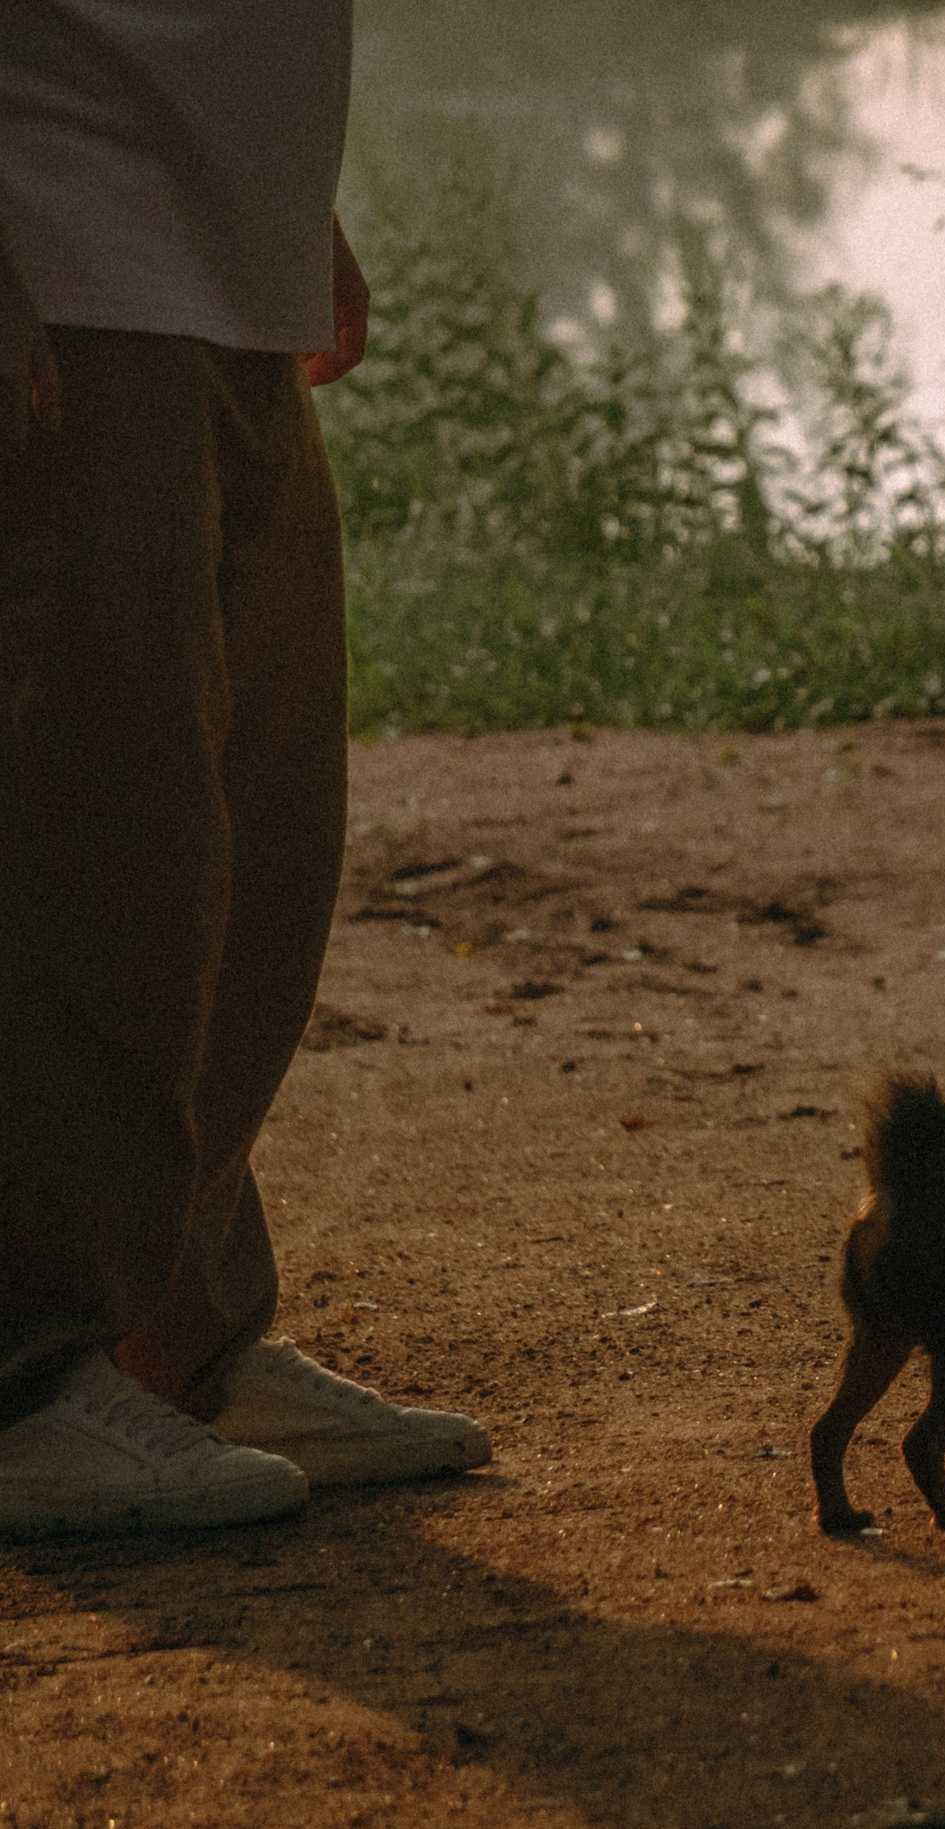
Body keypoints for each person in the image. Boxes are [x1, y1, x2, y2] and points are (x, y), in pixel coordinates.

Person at [0, 1, 490, 1536]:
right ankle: (21, 1373)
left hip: (210, 262)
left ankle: (173, 1339)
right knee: (103, 842)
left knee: (258, 836)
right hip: (64, 249)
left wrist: (277, 214)